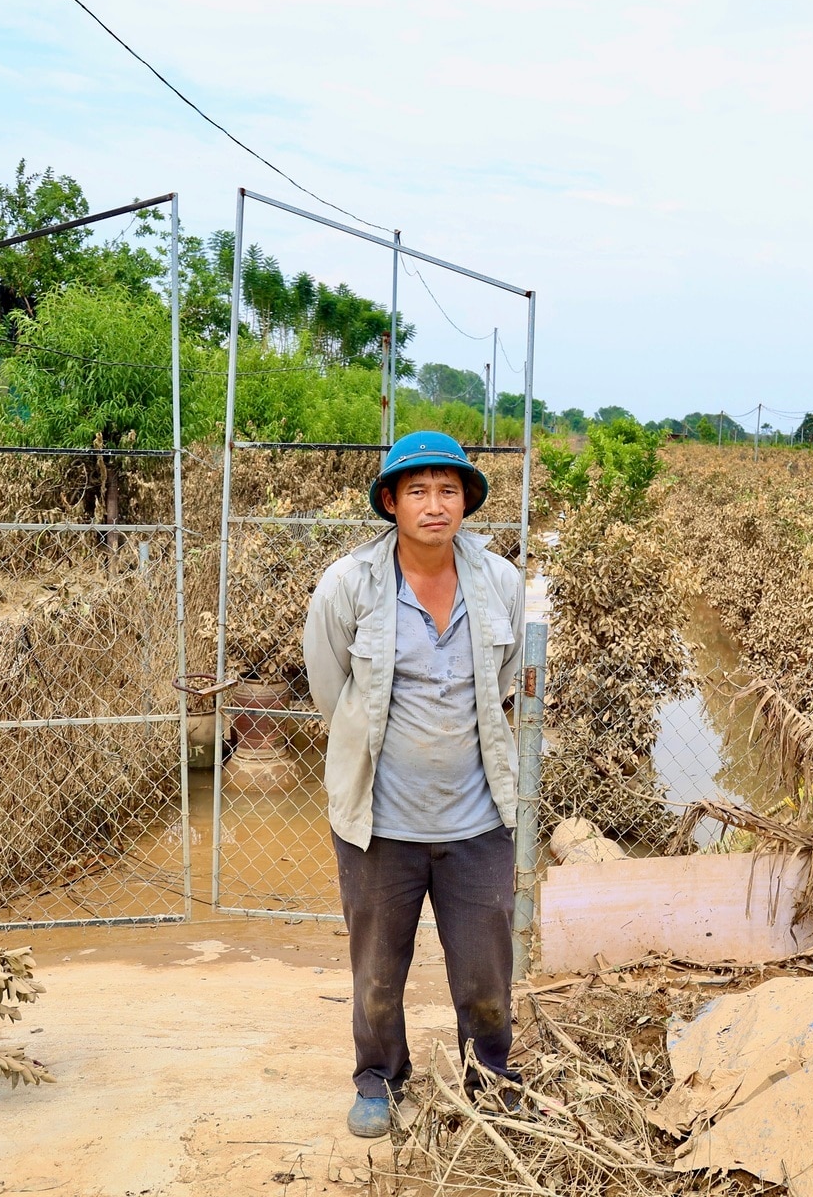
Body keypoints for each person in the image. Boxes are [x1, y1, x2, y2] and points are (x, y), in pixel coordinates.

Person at [303, 431, 527, 1139]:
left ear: (466, 501)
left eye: (449, 489)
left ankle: (489, 1076)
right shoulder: (349, 586)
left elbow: (498, 686)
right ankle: (379, 1078)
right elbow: (330, 691)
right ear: (391, 502)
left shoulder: (501, 584)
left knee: (487, 978)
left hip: (477, 822)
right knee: (376, 970)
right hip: (380, 825)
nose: (436, 504)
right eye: (419, 490)